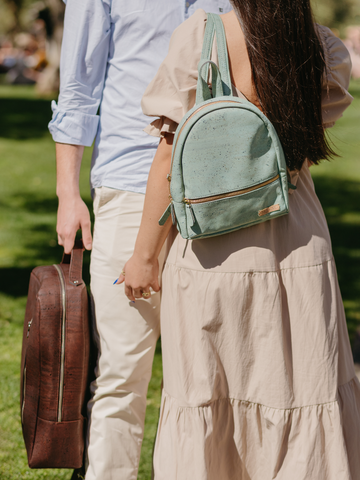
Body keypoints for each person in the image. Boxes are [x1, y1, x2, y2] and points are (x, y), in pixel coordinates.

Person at [118, 1, 360, 478]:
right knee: (300, 390)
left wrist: (144, 256)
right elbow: (312, 136)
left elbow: (169, 158)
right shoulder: (321, 47)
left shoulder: (202, 37)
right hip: (295, 236)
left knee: (209, 394)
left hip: (213, 248)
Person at [48, 1, 232, 479]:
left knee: (213, 377)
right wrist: (69, 194)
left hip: (219, 196)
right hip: (130, 190)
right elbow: (78, 88)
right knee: (120, 376)